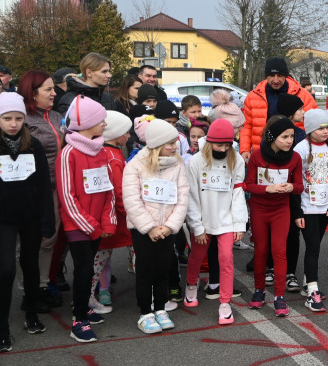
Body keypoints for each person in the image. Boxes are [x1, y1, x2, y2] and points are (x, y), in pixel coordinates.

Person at [56, 96, 115, 343]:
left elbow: (106, 188)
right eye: (100, 120)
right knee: (84, 268)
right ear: (88, 123)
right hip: (78, 224)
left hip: (97, 225)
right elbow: (67, 196)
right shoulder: (68, 153)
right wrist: (91, 225)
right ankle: (79, 319)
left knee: (89, 267)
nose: (104, 123)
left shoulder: (100, 150)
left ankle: (82, 306)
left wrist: (107, 221)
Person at [123, 119, 189, 334]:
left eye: (175, 142)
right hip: (143, 228)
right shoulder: (135, 166)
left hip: (167, 227)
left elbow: (183, 198)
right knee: (145, 268)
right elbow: (132, 200)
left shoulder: (177, 165)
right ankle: (145, 312)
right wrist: (149, 227)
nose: (174, 146)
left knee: (163, 268)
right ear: (156, 144)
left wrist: (170, 226)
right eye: (169, 143)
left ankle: (160, 308)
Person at [0, 92, 54, 350]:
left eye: (18, 118)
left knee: (31, 266)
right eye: (7, 118)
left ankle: (31, 314)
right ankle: (2, 327)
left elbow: (44, 185)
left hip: (30, 215)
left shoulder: (33, 145)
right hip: (3, 219)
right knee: (6, 270)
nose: (13, 123)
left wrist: (47, 221)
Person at [183, 118, 247, 324]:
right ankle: (191, 285)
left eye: (227, 145)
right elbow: (192, 197)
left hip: (227, 219)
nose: (223, 148)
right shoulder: (196, 161)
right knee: (197, 256)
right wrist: (197, 226)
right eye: (219, 145)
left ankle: (225, 303)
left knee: (226, 258)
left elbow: (238, 193)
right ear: (210, 142)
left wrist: (239, 224)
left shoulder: (236, 160)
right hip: (203, 218)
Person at [244, 116, 303, 315]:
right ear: (272, 137)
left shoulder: (295, 158)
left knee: (279, 251)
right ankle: (259, 290)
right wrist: (268, 188)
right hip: (260, 209)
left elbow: (300, 186)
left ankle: (279, 296)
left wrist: (291, 186)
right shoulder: (257, 156)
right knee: (261, 251)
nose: (289, 141)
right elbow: (248, 185)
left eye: (292, 136)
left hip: (281, 210)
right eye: (284, 137)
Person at [18, 70, 65, 300]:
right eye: (48, 89)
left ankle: (43, 284)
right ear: (32, 93)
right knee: (28, 241)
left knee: (50, 238)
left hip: (55, 188)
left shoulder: (56, 117)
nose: (54, 93)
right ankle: (29, 289)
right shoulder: (22, 119)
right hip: (30, 190)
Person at [292, 109, 328, 311]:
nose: (325, 131)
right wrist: (297, 211)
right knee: (312, 247)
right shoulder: (301, 149)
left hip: (325, 206)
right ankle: (312, 290)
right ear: (310, 128)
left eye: (327, 127)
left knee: (316, 245)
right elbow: (294, 181)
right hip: (307, 206)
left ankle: (307, 282)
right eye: (320, 128)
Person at [92, 112, 132, 313]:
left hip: (103, 213)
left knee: (101, 255)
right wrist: (130, 211)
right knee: (133, 250)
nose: (129, 136)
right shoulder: (115, 157)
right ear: (117, 135)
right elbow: (119, 190)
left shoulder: (100, 152)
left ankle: (101, 290)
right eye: (126, 132)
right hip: (119, 215)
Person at [240, 57, 316, 160]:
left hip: (295, 154)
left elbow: (314, 124)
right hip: (262, 154)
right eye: (272, 75)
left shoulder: (303, 95)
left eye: (280, 76)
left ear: (285, 76)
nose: (276, 80)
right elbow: (247, 126)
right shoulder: (253, 96)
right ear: (266, 76)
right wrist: (245, 149)